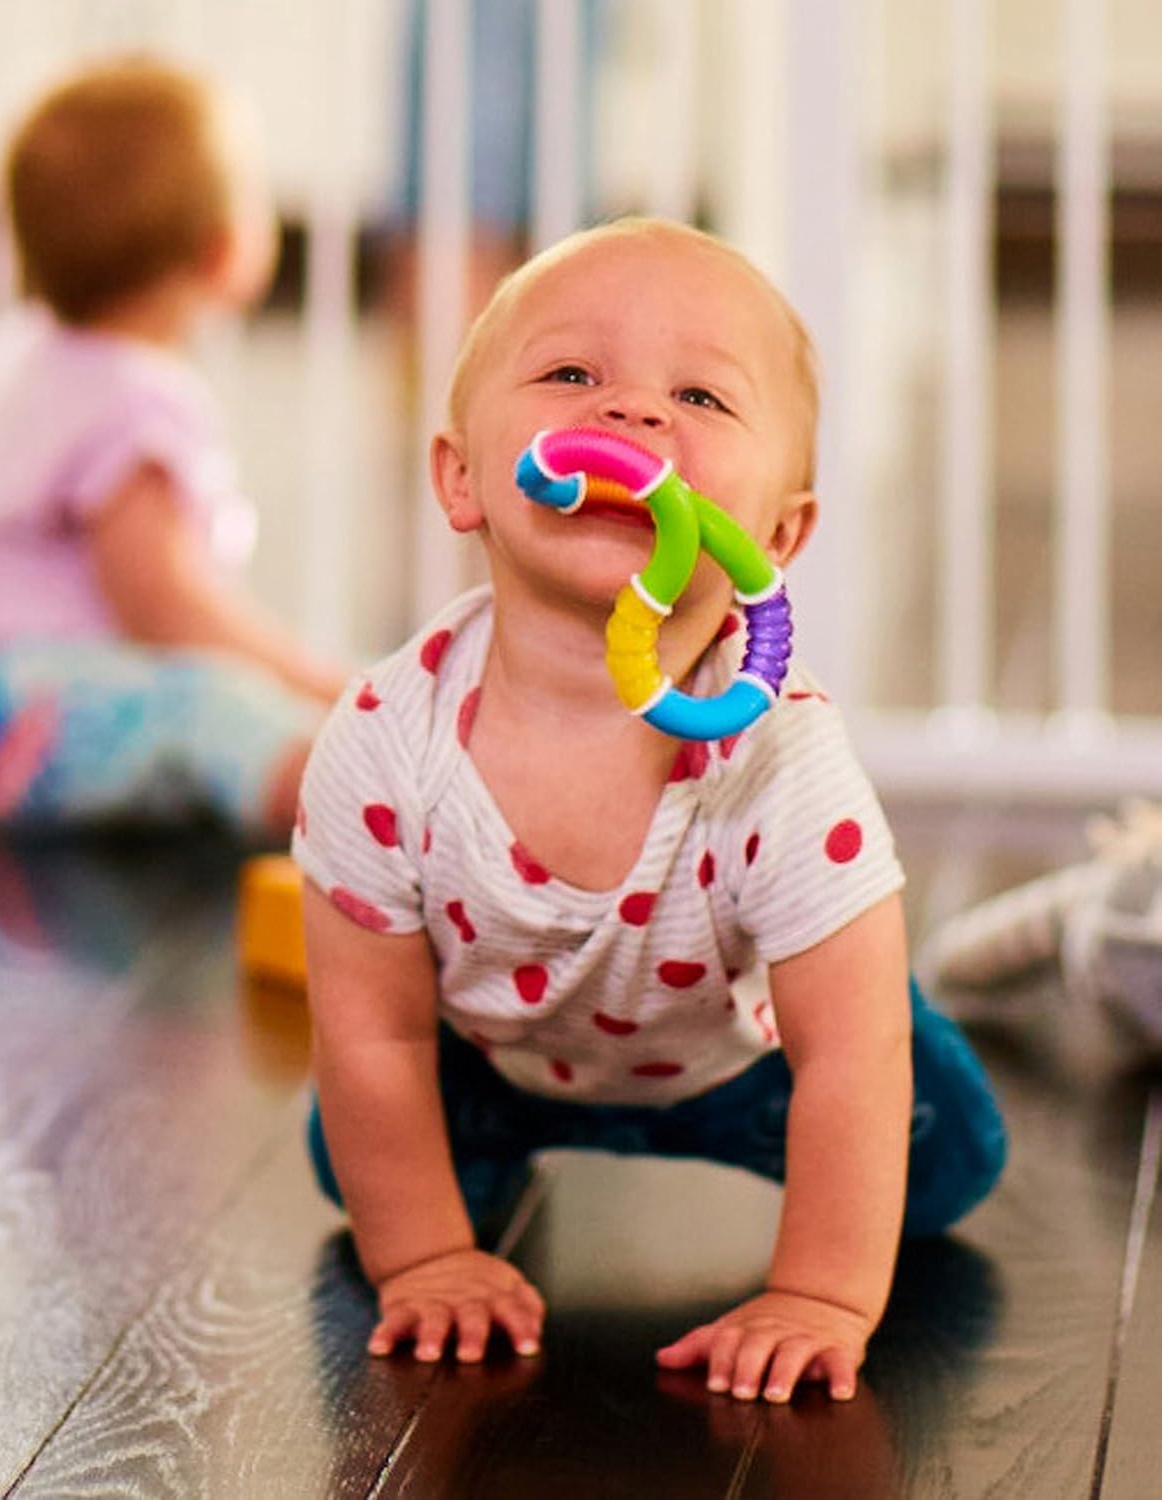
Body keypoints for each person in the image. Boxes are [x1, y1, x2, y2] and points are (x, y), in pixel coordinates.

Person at [291, 218, 1008, 1403]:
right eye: (573, 374)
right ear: (463, 477)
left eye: (699, 396)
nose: (631, 415)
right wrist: (422, 1259)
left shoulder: (779, 759)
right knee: (357, 1151)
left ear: (774, 536)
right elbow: (372, 1032)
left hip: (746, 1063)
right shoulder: (381, 740)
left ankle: (871, 1036)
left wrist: (819, 1294)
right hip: (488, 1055)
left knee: (945, 1159)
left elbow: (846, 1059)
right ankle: (463, 1180)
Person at [0, 59, 344, 837]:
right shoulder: (137, 402)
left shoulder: (28, 355)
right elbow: (162, 604)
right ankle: (378, 822)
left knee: (208, 706)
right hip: (45, 720)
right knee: (225, 709)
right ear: (222, 250)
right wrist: (321, 688)